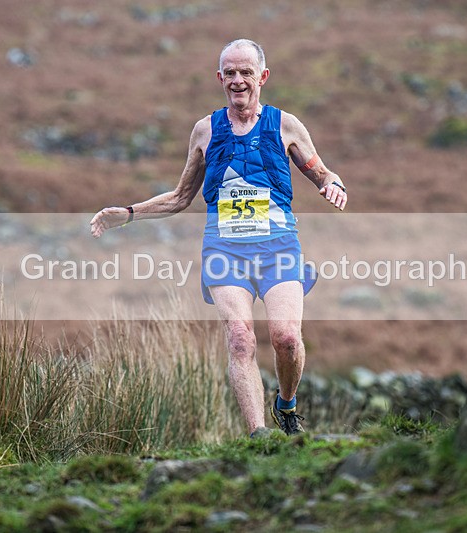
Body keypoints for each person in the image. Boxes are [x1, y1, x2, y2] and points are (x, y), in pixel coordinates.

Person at [90, 38, 347, 436]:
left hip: (278, 247)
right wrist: (126, 214)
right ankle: (259, 436)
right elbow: (179, 198)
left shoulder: (285, 125)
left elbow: (322, 173)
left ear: (262, 77)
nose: (238, 81)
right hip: (225, 250)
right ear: (220, 78)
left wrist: (335, 186)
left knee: (286, 338)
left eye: (247, 72)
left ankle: (287, 405)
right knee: (241, 339)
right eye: (231, 73)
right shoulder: (205, 131)